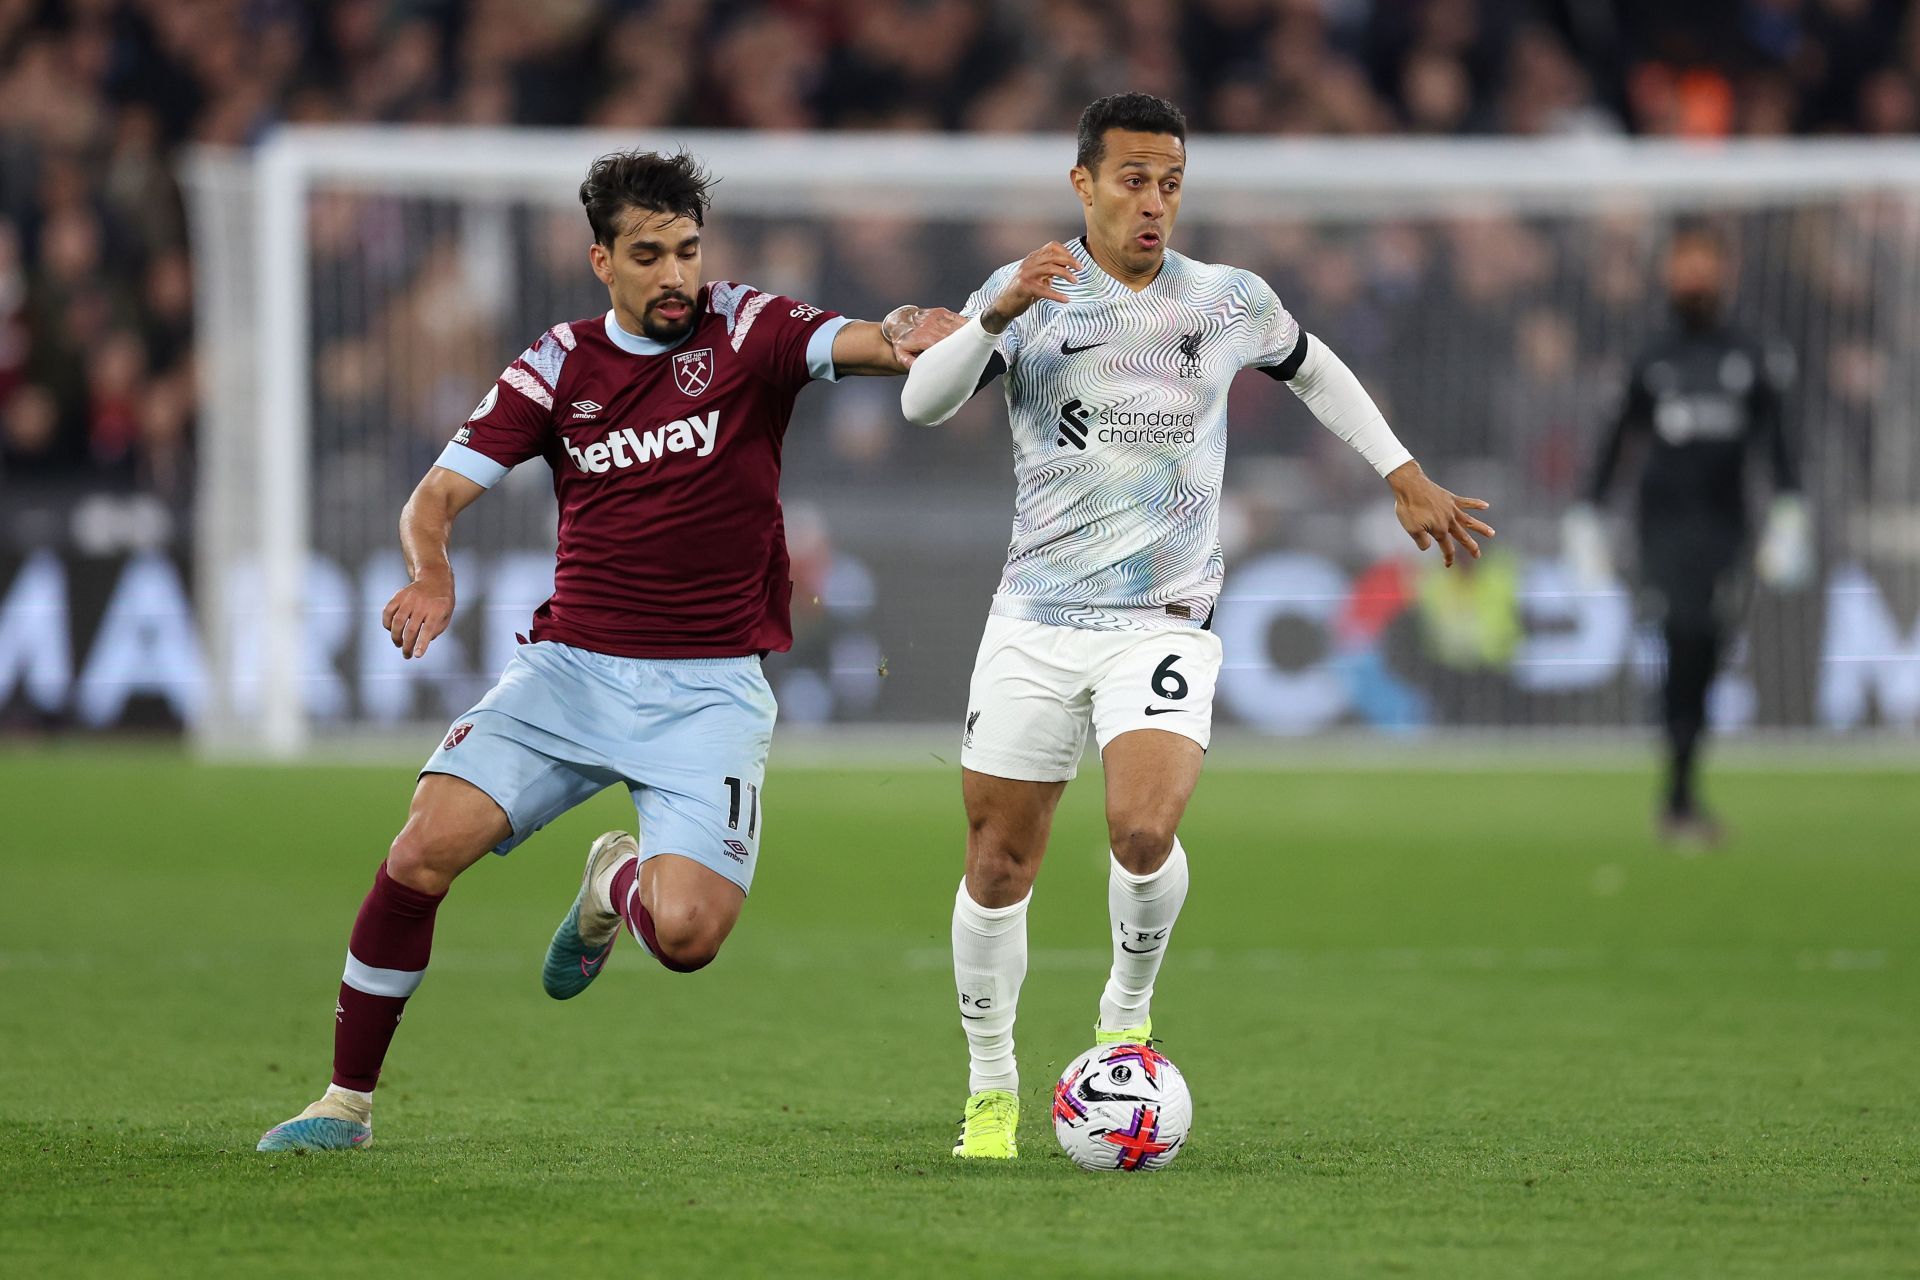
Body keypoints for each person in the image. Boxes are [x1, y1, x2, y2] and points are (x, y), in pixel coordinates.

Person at [258, 149, 959, 1152]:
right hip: (572, 669)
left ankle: (612, 882)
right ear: (602, 262)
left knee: (686, 937)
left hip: (710, 690)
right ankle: (344, 1103)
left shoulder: (747, 328)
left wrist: (903, 332)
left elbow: (860, 341)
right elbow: (436, 497)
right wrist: (432, 572)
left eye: (688, 249)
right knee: (419, 850)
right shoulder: (557, 365)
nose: (677, 274)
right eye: (649, 254)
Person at [900, 93, 1494, 1159]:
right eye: (1133, 179)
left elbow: (1314, 367)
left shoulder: (1226, 301)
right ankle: (991, 1089)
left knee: (1144, 828)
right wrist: (991, 315)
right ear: (1083, 184)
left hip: (1161, 618)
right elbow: (921, 404)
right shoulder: (1028, 291)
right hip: (1035, 616)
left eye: (1171, 182)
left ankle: (1125, 1012)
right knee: (999, 860)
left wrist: (1402, 474)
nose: (1154, 203)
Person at [1564, 221, 1807, 848]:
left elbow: (1778, 447)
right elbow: (1618, 440)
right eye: (1683, 262)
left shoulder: (1752, 354)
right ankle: (1677, 791)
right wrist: (1588, 512)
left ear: (1723, 270)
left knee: (1708, 649)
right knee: (1683, 635)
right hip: (1664, 526)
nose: (1692, 274)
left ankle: (1681, 784)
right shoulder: (1651, 356)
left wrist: (1789, 514)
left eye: (1703, 262)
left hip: (1728, 528)